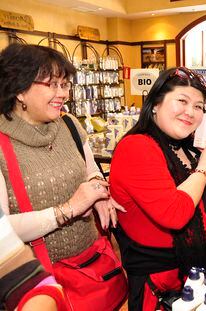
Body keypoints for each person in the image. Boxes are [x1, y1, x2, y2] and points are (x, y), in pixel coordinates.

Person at [0, 44, 126, 310]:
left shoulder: (69, 124)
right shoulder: (2, 145)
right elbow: (4, 230)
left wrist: (98, 193)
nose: (63, 94)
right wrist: (67, 209)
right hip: (41, 284)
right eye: (53, 85)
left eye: (65, 85)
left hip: (92, 267)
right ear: (20, 89)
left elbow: (91, 170)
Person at [109, 67, 206, 310]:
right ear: (156, 104)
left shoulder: (188, 147)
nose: (190, 112)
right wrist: (204, 166)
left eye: (199, 106)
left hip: (205, 272)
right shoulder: (136, 148)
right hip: (163, 285)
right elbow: (175, 214)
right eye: (182, 101)